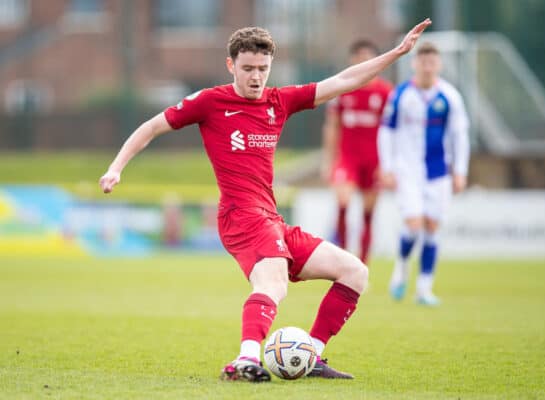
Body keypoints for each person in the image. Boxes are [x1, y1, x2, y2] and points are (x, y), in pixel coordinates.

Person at [99, 19, 431, 382]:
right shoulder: (210, 102)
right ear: (231, 66)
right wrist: (116, 168)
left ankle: (311, 355)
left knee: (355, 272)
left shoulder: (279, 101)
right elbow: (151, 126)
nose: (256, 77)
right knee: (273, 284)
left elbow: (343, 81)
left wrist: (397, 54)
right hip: (241, 217)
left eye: (263, 69)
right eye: (247, 69)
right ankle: (244, 360)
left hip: (271, 219)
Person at [378, 42, 469, 306]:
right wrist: (387, 167)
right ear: (414, 64)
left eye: (432, 62)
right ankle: (402, 268)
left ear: (438, 65)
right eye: (423, 62)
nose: (428, 67)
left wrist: (460, 171)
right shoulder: (401, 95)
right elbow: (387, 132)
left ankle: (424, 289)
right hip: (407, 171)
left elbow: (459, 136)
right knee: (414, 225)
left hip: (438, 171)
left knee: (432, 227)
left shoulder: (450, 97)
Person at [321, 40, 393, 264]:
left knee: (368, 214)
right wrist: (328, 161)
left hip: (375, 161)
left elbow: (393, 132)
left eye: (367, 57)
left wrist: (389, 166)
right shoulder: (342, 89)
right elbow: (332, 126)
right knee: (343, 204)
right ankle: (343, 263)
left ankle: (363, 265)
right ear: (352, 60)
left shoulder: (386, 92)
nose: (363, 62)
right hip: (347, 159)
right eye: (358, 57)